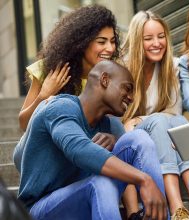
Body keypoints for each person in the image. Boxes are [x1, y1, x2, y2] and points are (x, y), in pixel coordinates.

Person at [17, 60, 167, 220]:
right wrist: (144, 179)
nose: (131, 98)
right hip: (39, 209)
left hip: (83, 198)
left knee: (138, 138)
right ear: (105, 80)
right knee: (100, 185)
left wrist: (115, 143)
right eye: (127, 88)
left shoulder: (109, 126)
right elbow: (79, 149)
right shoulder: (59, 107)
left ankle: (159, 217)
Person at [120, 11, 189, 220]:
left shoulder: (172, 65)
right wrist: (141, 121)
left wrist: (140, 119)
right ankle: (177, 207)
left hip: (161, 133)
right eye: (148, 38)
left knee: (180, 122)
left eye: (161, 36)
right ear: (137, 41)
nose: (157, 43)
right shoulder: (122, 69)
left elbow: (174, 112)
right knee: (162, 121)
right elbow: (121, 123)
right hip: (133, 139)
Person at [14, 4, 124, 170]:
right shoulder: (49, 69)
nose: (109, 48)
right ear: (82, 42)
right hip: (40, 151)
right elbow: (23, 123)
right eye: (101, 42)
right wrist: (44, 96)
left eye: (112, 41)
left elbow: (111, 126)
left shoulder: (109, 76)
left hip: (82, 148)